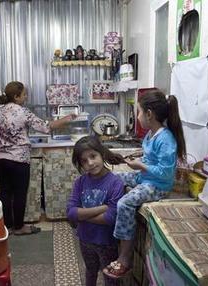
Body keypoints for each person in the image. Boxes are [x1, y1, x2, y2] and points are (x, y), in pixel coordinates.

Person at [103, 90, 186, 279]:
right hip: (145, 178)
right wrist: (138, 158)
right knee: (113, 179)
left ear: (149, 114)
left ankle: (125, 259)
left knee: (125, 203)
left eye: (138, 112)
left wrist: (141, 165)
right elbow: (150, 158)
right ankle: (110, 229)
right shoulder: (151, 134)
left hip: (158, 186)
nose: (137, 116)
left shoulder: (166, 139)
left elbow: (166, 172)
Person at [0, 81, 76, 235]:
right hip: (18, 158)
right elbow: (45, 127)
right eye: (24, 94)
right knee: (19, 193)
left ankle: (8, 226)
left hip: (0, 158)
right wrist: (66, 119)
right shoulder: (23, 112)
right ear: (16, 97)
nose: (26, 97)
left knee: (5, 192)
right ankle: (19, 227)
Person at [67, 136, 125, 286]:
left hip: (107, 241)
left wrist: (82, 215)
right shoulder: (80, 182)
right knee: (90, 271)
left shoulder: (115, 183)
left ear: (102, 154)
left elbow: (110, 218)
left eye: (93, 156)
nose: (90, 163)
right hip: (85, 239)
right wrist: (103, 207)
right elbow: (71, 213)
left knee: (110, 278)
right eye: (84, 161)